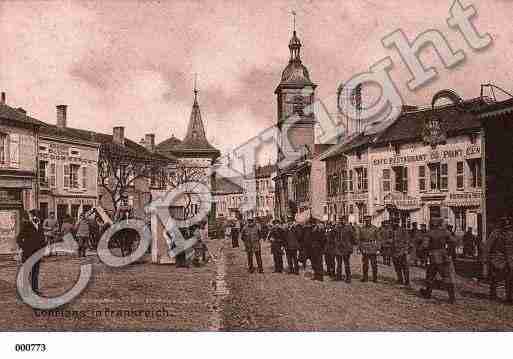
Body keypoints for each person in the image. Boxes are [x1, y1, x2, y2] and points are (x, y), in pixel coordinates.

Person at [419, 218, 457, 304]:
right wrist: (449, 251)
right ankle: (452, 298)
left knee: (430, 276)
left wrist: (420, 250)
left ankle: (428, 293)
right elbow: (454, 241)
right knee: (447, 277)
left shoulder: (429, 233)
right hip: (444, 257)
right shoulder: (446, 232)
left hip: (433, 257)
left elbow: (425, 245)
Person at [484, 215, 513, 304]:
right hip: (497, 259)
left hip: (510, 259)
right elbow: (487, 246)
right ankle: (493, 295)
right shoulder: (495, 233)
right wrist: (486, 259)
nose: (507, 227)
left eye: (508, 225)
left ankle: (509, 297)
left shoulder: (511, 234)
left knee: (510, 279)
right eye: (505, 224)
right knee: (495, 278)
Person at [16, 210, 45, 294]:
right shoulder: (27, 225)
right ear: (31, 217)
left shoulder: (40, 226)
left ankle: (35, 289)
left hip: (37, 253)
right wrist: (25, 247)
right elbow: (19, 239)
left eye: (38, 215)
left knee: (35, 272)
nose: (36, 217)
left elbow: (42, 239)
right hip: (28, 253)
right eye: (34, 215)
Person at [358, 216, 380, 283]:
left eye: (369, 221)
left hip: (373, 248)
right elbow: (360, 240)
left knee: (374, 264)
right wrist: (360, 248)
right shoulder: (362, 229)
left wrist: (378, 249)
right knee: (365, 264)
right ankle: (365, 277)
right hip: (365, 248)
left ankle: (375, 278)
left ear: (371, 221)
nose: (367, 222)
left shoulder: (375, 228)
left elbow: (378, 239)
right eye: (366, 221)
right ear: (365, 221)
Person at [334, 216, 355, 283]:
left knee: (346, 263)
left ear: (346, 221)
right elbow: (334, 236)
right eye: (340, 220)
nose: (341, 221)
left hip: (346, 248)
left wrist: (349, 246)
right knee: (339, 263)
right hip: (338, 248)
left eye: (343, 220)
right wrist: (336, 243)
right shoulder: (337, 228)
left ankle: (348, 277)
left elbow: (353, 237)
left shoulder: (349, 228)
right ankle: (338, 276)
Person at [391, 220, 411, 286]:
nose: (394, 223)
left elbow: (407, 241)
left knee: (405, 267)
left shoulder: (403, 230)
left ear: (398, 222)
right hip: (394, 252)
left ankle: (407, 281)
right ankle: (400, 279)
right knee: (397, 267)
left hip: (402, 252)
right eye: (393, 222)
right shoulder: (392, 230)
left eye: (395, 222)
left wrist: (405, 250)